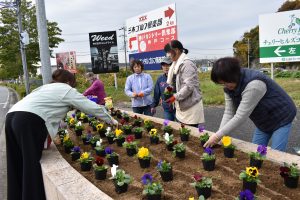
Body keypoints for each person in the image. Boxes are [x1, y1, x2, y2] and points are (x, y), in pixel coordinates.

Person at [5, 69, 118, 200]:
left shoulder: (45, 87)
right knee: (31, 164)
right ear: (69, 81)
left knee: (15, 163)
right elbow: (89, 106)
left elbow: (49, 111)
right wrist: (111, 119)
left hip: (12, 116)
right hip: (28, 121)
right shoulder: (66, 89)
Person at [204, 57, 297, 151]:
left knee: (276, 154)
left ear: (234, 75)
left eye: (226, 82)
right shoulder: (229, 86)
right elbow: (229, 112)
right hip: (263, 119)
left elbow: (240, 116)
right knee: (254, 152)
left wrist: (216, 136)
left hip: (281, 116)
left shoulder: (254, 84)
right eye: (222, 84)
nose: (225, 86)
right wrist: (220, 135)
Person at [164, 40, 205, 127]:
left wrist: (174, 97)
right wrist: (169, 89)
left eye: (169, 53)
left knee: (190, 134)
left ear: (177, 50)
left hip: (190, 105)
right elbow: (175, 82)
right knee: (183, 132)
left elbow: (189, 86)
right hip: (181, 104)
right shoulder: (175, 64)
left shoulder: (187, 65)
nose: (168, 56)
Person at [151, 57, 176, 121]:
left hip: (178, 109)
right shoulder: (160, 79)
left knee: (180, 128)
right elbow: (156, 94)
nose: (166, 67)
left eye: (168, 65)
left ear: (173, 66)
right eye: (164, 65)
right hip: (167, 109)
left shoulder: (177, 77)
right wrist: (153, 105)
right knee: (168, 127)